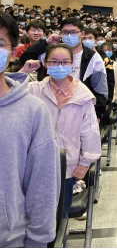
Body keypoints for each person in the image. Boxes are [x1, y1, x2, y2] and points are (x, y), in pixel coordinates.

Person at [0, 12, 60, 248]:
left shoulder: (33, 110)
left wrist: (38, 240)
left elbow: (42, 184)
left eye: (0, 43)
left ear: (13, 52)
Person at [23, 44, 102, 220]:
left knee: (60, 217)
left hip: (67, 167)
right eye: (54, 61)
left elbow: (90, 132)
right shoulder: (33, 90)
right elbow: (6, 96)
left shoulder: (83, 96)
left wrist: (84, 165)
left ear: (71, 64)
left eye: (64, 62)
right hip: (35, 165)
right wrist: (23, 72)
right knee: (33, 215)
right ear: (46, 63)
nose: (59, 66)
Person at [20, 18, 108, 120]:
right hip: (47, 107)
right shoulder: (50, 51)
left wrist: (96, 115)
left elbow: (101, 90)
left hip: (79, 109)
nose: (69, 35)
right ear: (60, 34)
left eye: (74, 32)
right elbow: (24, 58)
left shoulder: (93, 57)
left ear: (82, 33)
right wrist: (46, 42)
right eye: (65, 32)